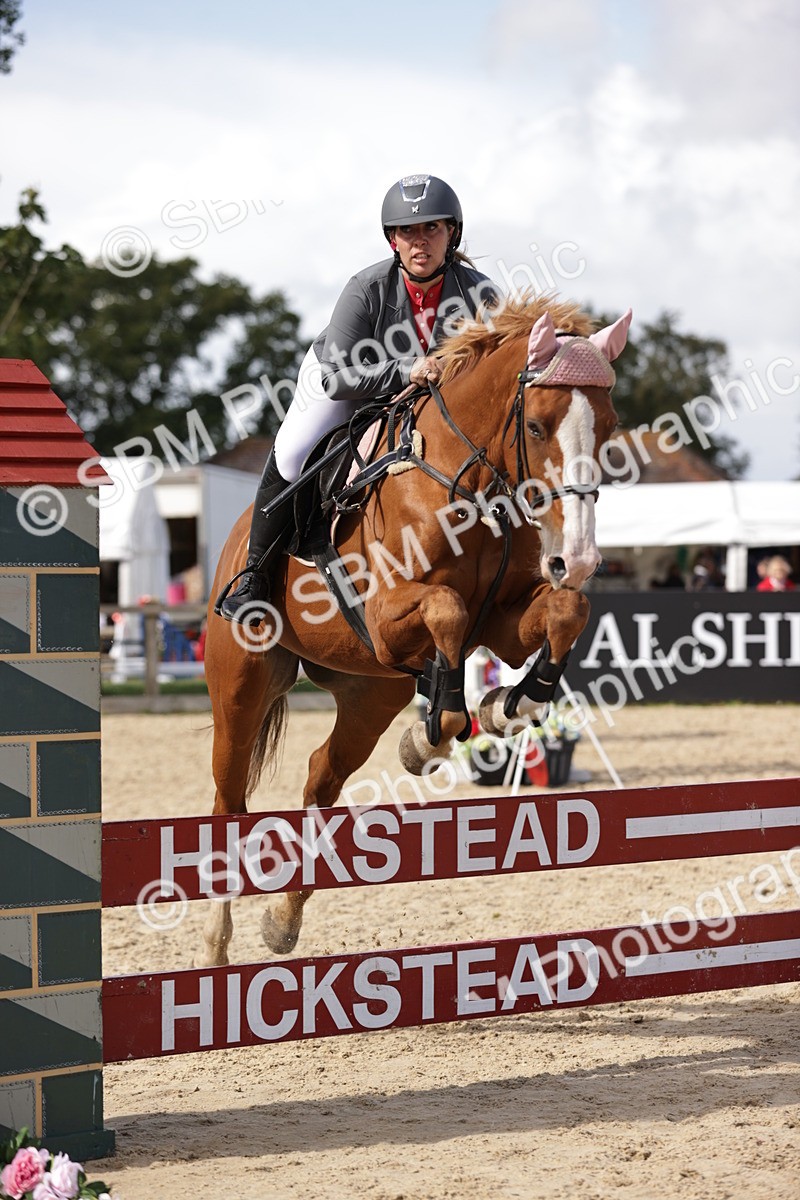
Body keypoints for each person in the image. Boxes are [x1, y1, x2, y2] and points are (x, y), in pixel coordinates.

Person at [219, 173, 499, 624]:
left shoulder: (480, 294)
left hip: (427, 396)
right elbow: (336, 378)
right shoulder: (366, 288)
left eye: (432, 228)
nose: (419, 241)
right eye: (407, 231)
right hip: (345, 379)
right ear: (392, 239)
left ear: (453, 233)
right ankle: (254, 575)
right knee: (292, 454)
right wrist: (405, 369)